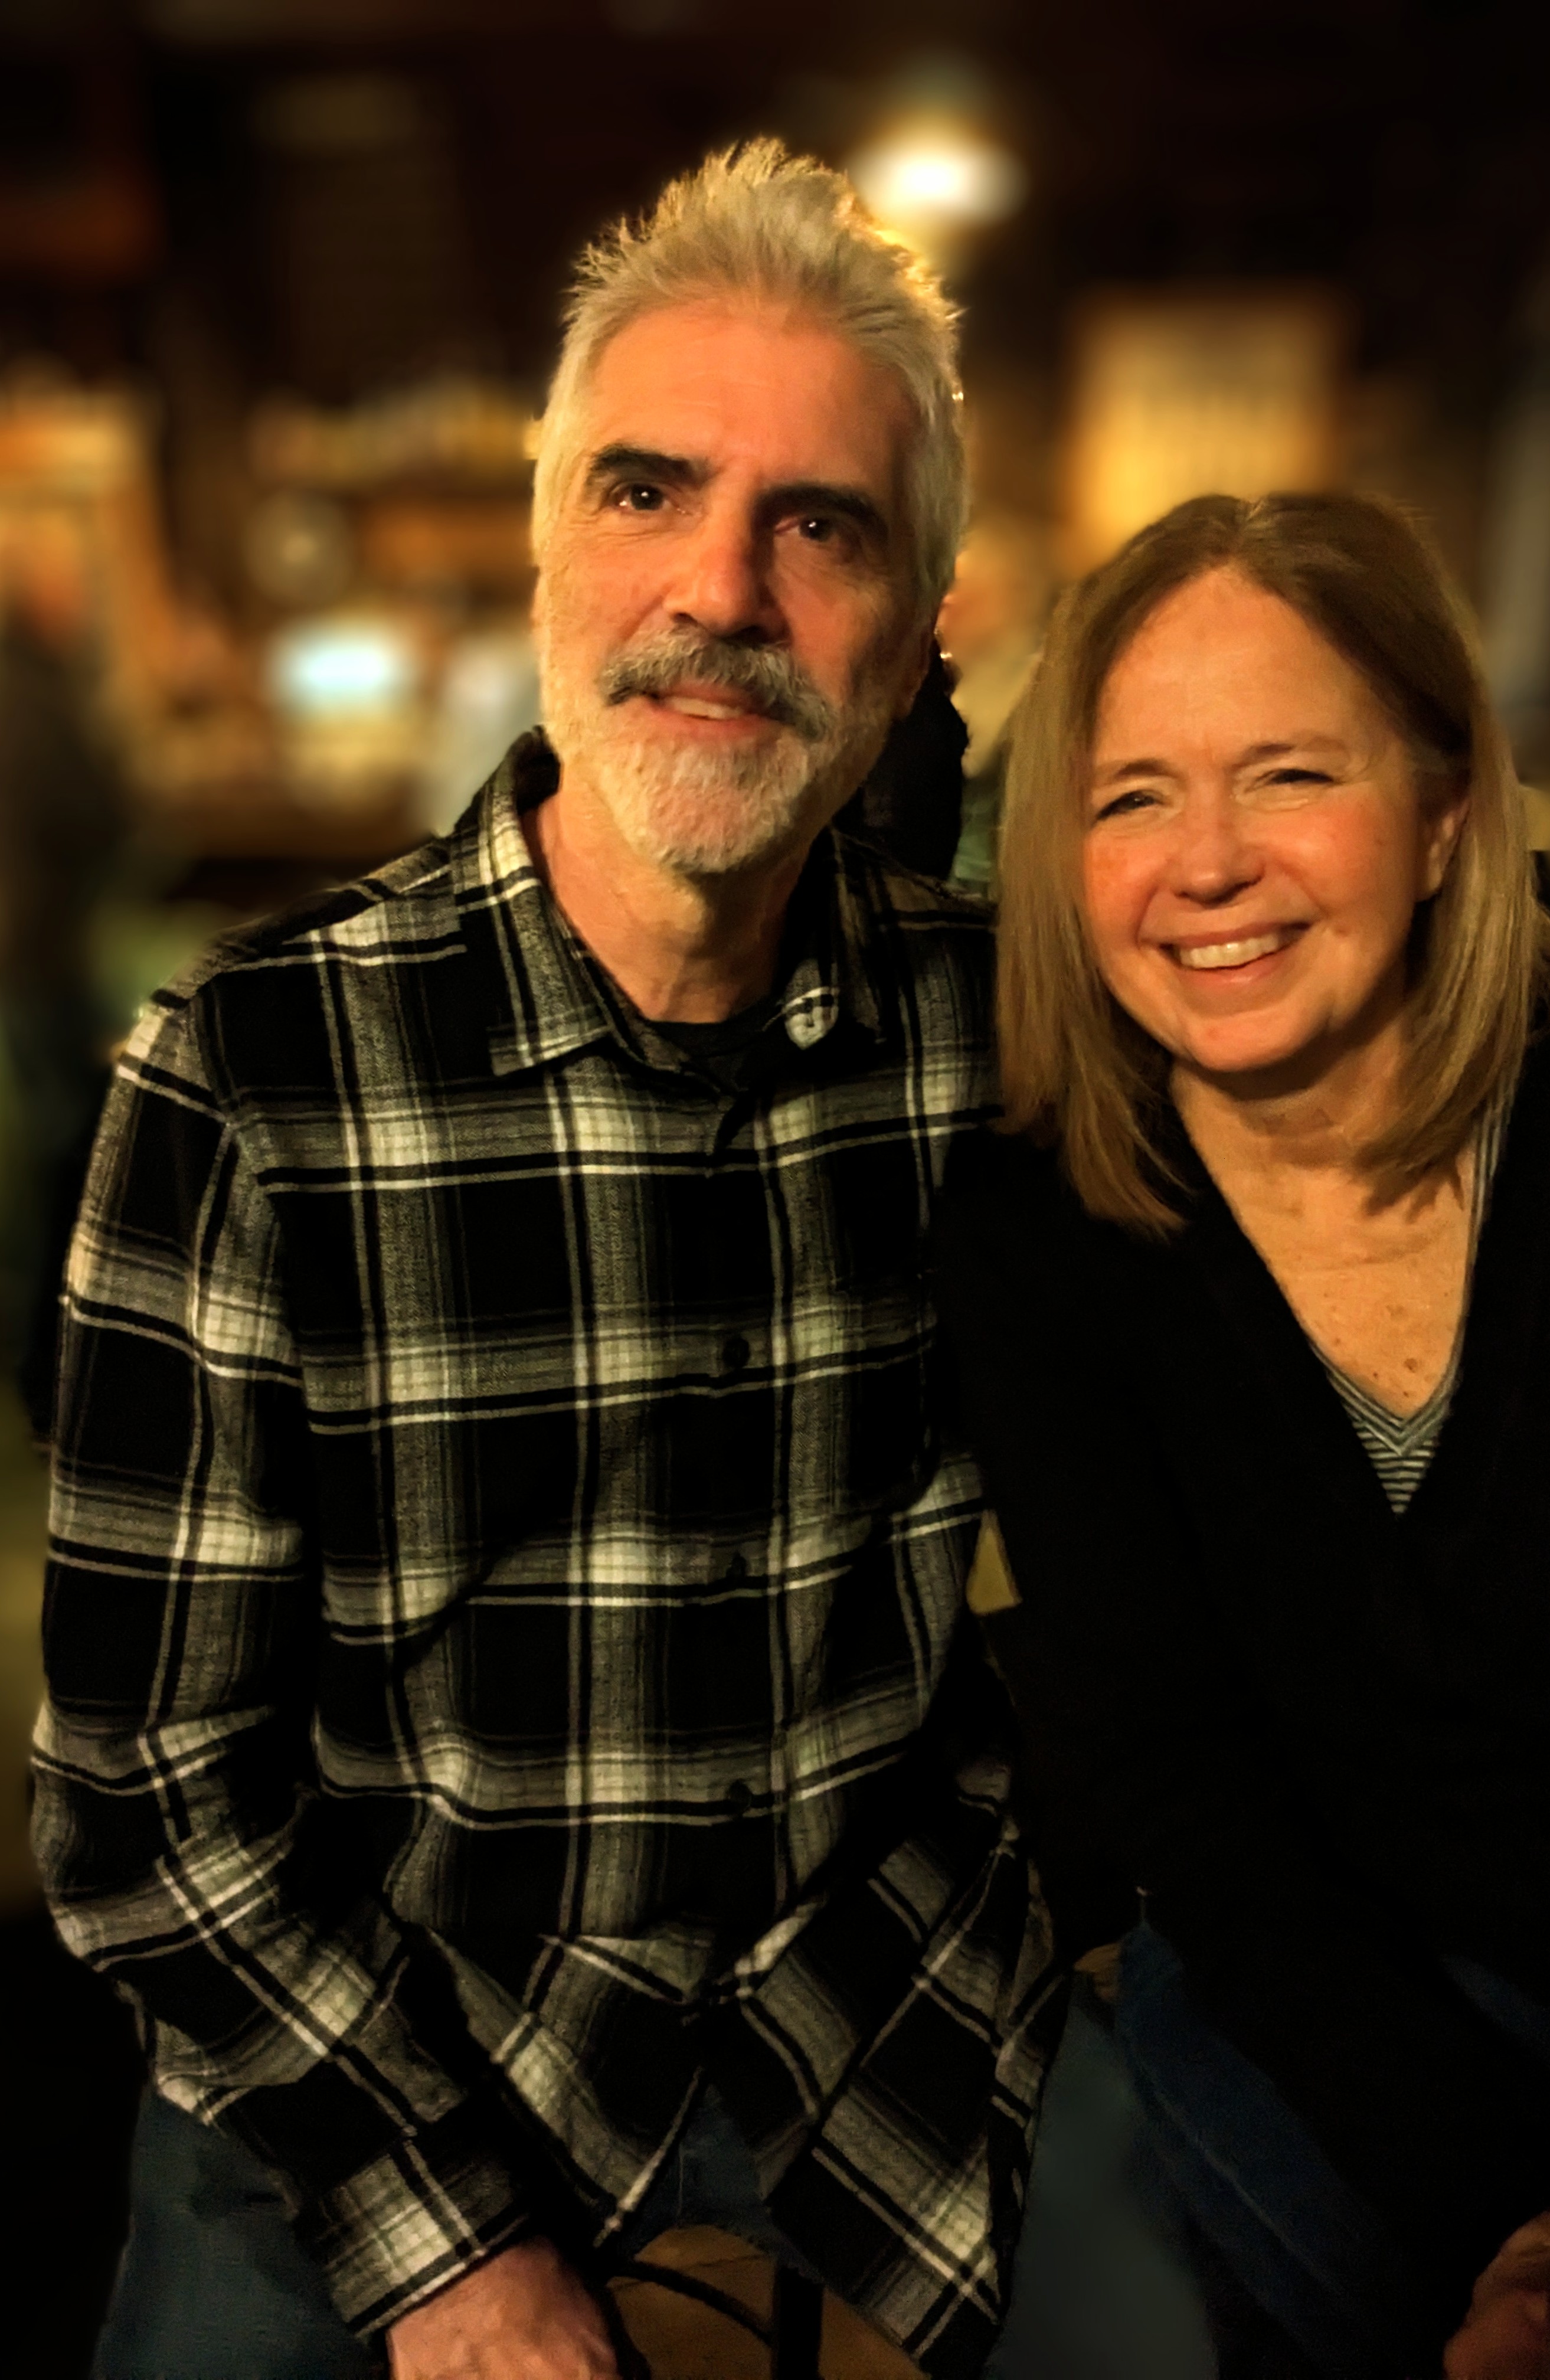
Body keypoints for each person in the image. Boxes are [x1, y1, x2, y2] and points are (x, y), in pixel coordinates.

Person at [32, 143, 1065, 2380]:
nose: (721, 587)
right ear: (544, 557)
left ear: (916, 635)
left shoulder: (999, 1038)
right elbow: (136, 1804)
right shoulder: (255, 1079)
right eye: (645, 490)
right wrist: (445, 2253)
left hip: (870, 2041)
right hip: (376, 2048)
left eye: (823, 525)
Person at [937, 491, 1550, 2380]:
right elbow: (1185, 1789)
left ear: (1443, 812)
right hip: (1324, 2003)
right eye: (1130, 798)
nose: (1205, 864)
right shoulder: (1044, 1232)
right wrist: (1521, 2236)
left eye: (1287, 774)